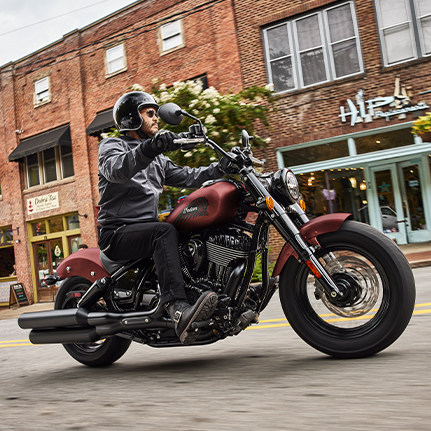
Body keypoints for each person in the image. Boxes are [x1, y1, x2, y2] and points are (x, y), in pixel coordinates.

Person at [97, 91, 224, 344]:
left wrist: (221, 167)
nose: (156, 119)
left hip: (146, 231)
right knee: (163, 231)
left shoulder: (158, 159)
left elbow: (189, 176)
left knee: (188, 229)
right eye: (150, 113)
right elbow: (118, 170)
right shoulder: (112, 146)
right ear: (132, 118)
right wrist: (150, 148)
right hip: (117, 233)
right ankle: (177, 308)